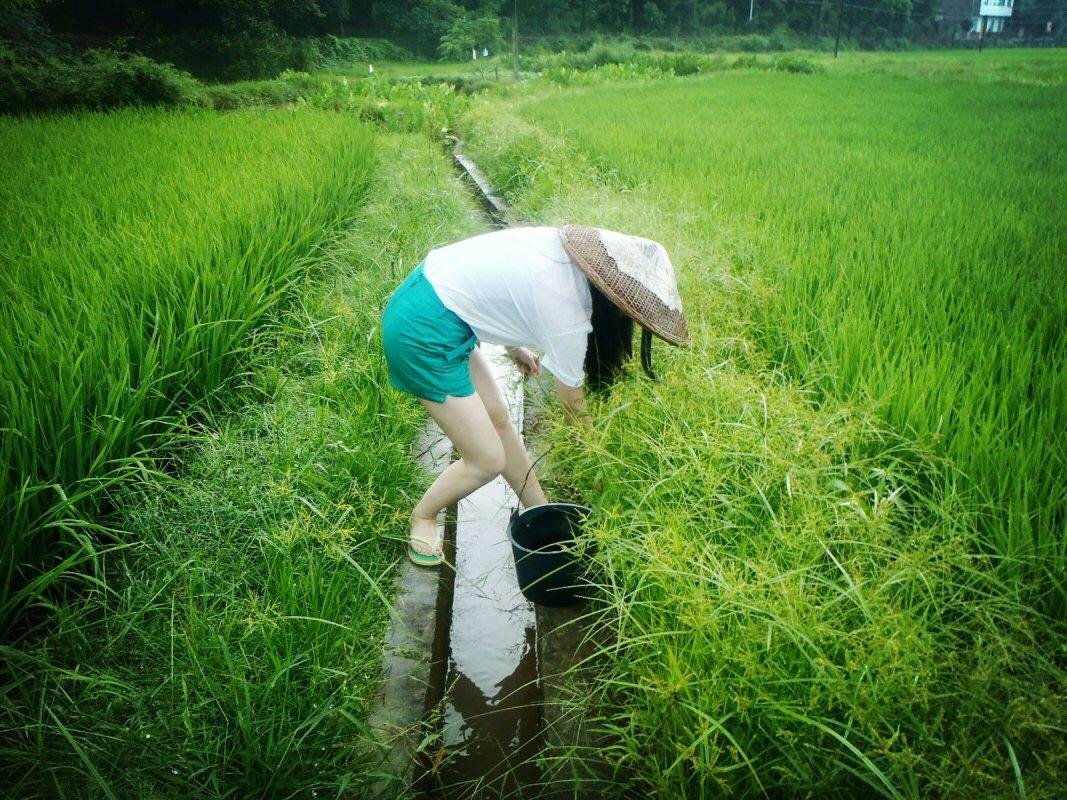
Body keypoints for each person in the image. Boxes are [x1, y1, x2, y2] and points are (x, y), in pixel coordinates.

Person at [380, 224, 690, 566]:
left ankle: (540, 511)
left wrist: (514, 348)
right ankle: (423, 516)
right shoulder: (570, 311)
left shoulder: (561, 253)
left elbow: (495, 285)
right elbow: (573, 407)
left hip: (432, 296)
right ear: (615, 302)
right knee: (486, 459)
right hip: (421, 330)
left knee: (498, 418)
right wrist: (603, 475)